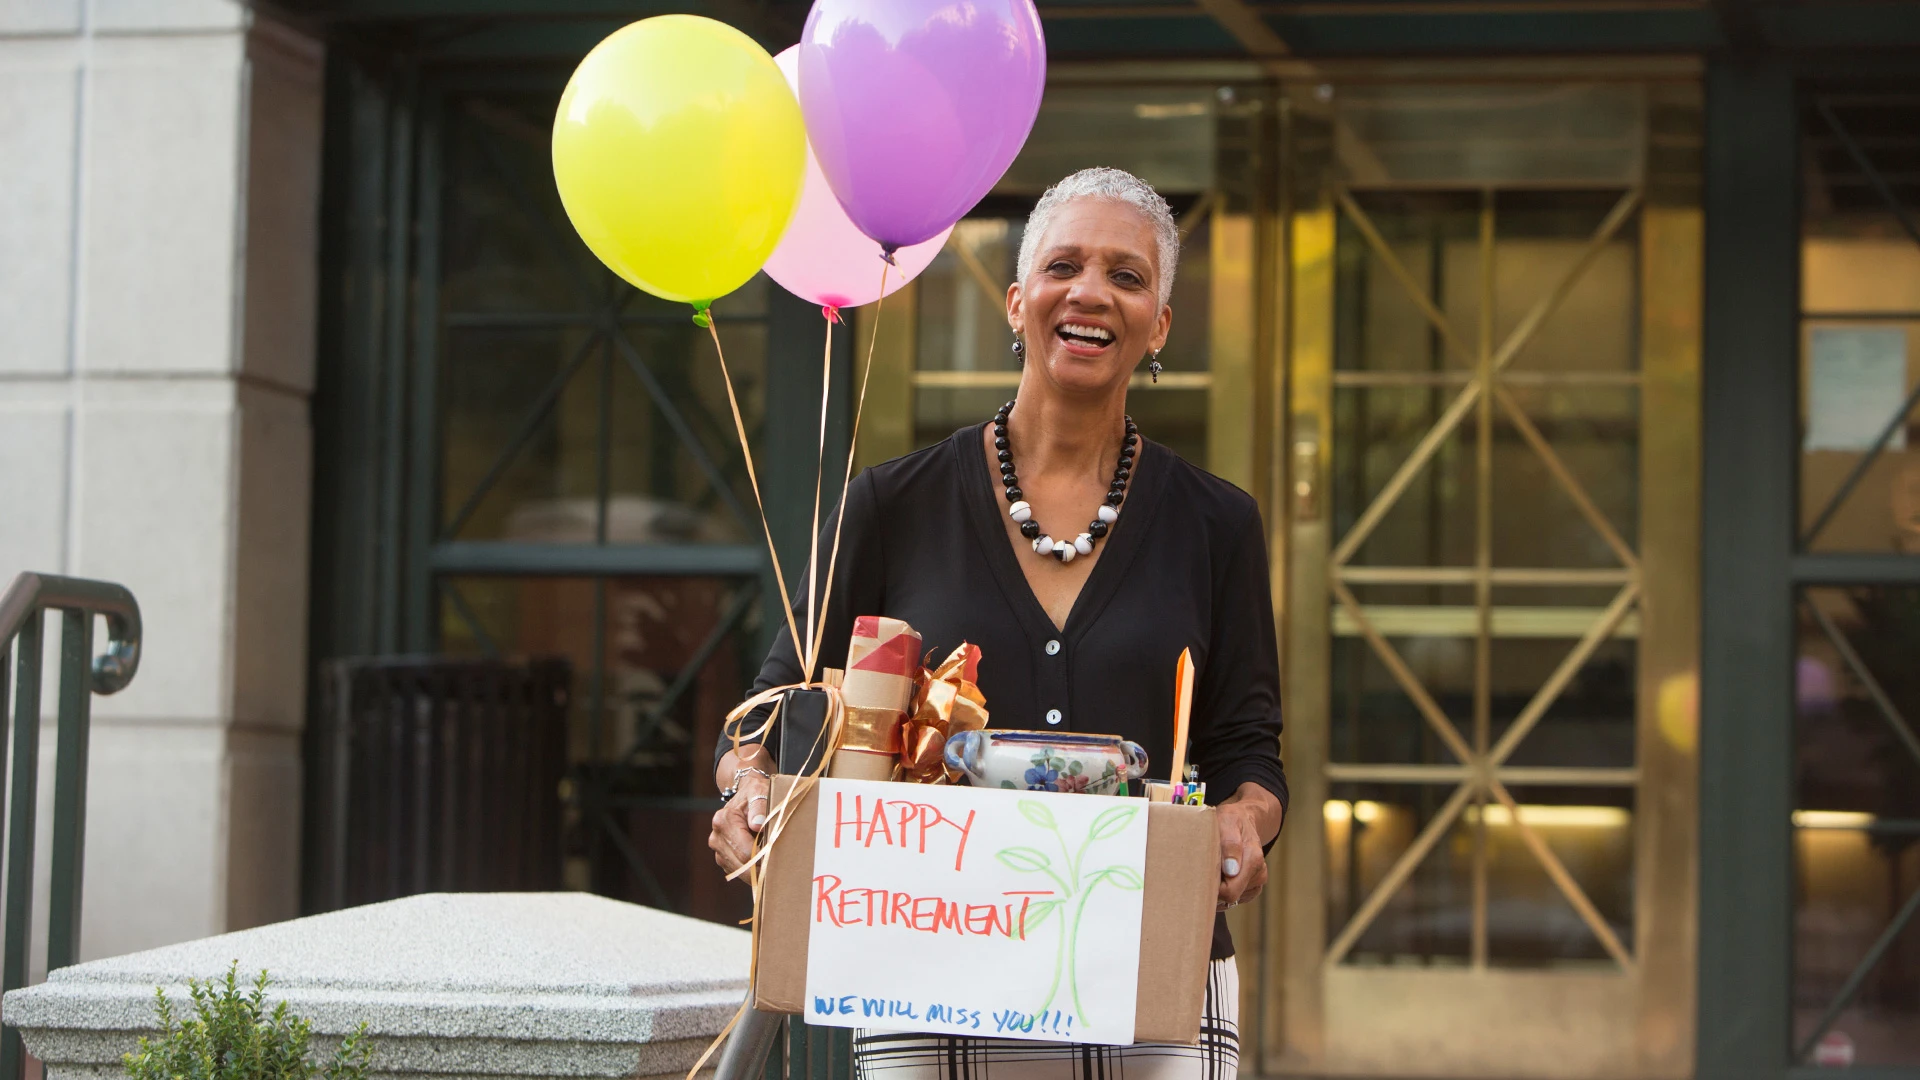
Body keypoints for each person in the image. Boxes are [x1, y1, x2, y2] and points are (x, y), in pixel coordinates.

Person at [709, 167, 1287, 1080]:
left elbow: (1249, 750)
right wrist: (745, 790)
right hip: (934, 963)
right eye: (1064, 266)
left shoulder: (1218, 525)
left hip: (1147, 968)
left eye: (1128, 277)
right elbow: (769, 717)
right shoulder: (891, 506)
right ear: (1017, 303)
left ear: (1160, 325)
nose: (1091, 292)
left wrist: (1246, 822)